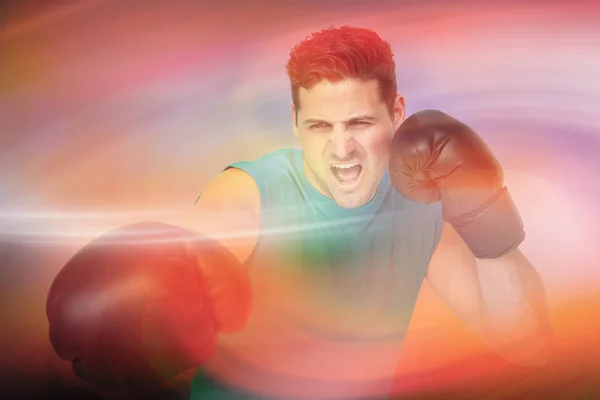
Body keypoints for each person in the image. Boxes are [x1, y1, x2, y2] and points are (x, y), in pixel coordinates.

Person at [46, 26, 553, 400]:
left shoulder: (422, 199)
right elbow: (183, 254)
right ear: (295, 122)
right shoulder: (251, 192)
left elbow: (525, 345)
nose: (341, 150)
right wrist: (141, 315)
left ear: (397, 114)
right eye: (319, 127)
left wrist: (489, 221)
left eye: (358, 122)